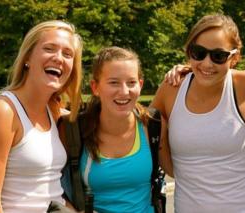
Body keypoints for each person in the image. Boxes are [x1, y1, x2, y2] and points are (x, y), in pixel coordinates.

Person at [151, 14, 245, 212]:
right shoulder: (172, 88)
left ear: (234, 58)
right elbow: (146, 133)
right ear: (188, 52)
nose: (207, 63)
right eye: (198, 53)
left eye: (218, 56)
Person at [0, 20, 83, 212]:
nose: (59, 58)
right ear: (27, 58)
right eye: (49, 48)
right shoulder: (3, 111)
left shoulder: (54, 110)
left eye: (67, 54)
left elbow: (51, 192)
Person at [64, 46, 172, 213]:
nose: (124, 91)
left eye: (131, 82)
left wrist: (192, 70)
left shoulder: (153, 125)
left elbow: (180, 171)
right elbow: (53, 187)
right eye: (114, 82)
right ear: (95, 87)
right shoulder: (73, 129)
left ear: (140, 85)